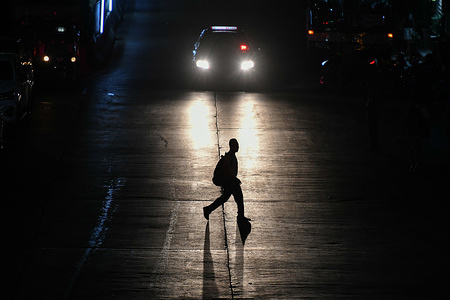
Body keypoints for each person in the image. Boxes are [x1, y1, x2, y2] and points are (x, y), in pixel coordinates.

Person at [203, 138, 250, 221]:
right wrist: (234, 180)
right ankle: (240, 216)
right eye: (236, 145)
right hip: (229, 182)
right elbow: (227, 173)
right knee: (238, 197)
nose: (238, 147)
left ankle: (208, 209)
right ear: (232, 146)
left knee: (225, 198)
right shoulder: (229, 158)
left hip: (230, 181)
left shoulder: (231, 156)